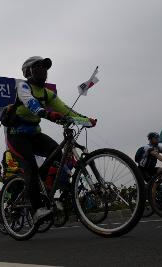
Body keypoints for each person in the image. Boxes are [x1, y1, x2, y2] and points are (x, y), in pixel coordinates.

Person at [5, 56, 96, 223]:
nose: (43, 70)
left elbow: (65, 109)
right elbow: (31, 103)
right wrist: (47, 114)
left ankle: (48, 191)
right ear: (28, 72)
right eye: (37, 67)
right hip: (16, 136)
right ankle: (37, 209)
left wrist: (85, 119)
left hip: (34, 135)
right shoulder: (23, 86)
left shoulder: (48, 93)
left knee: (58, 156)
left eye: (45, 68)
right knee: (31, 166)